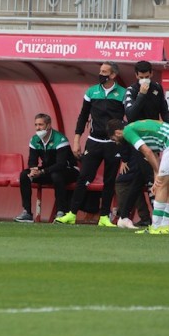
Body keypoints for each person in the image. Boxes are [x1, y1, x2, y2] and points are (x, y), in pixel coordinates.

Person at [55, 62, 126, 227]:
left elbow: (128, 120)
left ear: (113, 75)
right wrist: (76, 140)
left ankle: (104, 217)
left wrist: (125, 146)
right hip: (94, 142)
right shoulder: (91, 92)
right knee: (83, 177)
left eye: (104, 71)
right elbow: (83, 116)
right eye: (100, 71)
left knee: (109, 181)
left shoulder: (123, 93)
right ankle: (72, 214)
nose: (101, 74)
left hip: (113, 144)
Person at [107, 119, 169, 235]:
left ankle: (155, 227)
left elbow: (146, 151)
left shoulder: (127, 131)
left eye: (114, 139)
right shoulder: (139, 129)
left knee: (162, 185)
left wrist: (158, 176)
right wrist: (156, 177)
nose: (116, 143)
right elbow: (154, 156)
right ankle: (164, 227)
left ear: (117, 132)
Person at [116, 60, 169, 229]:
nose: (144, 80)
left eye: (147, 77)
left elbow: (164, 110)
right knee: (151, 175)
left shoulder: (157, 88)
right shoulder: (131, 91)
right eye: (141, 77)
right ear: (136, 76)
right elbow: (131, 115)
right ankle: (158, 218)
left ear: (151, 74)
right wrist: (141, 94)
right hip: (138, 139)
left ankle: (124, 216)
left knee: (139, 178)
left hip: (154, 137)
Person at [14, 113, 79, 223]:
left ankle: (61, 212)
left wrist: (42, 171)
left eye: (40, 125)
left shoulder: (60, 139)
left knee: (56, 175)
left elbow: (61, 164)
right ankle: (27, 213)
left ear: (48, 125)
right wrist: (33, 169)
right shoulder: (34, 140)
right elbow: (32, 159)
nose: (37, 128)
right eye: (36, 125)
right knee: (24, 175)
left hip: (69, 170)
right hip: (48, 171)